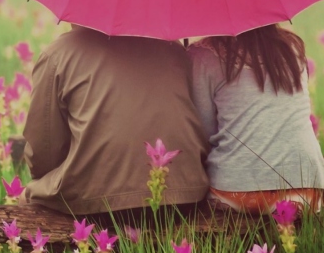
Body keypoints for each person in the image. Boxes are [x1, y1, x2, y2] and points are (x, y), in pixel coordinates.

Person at [22, 25, 210, 217]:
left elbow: (43, 152)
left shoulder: (58, 53)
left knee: (28, 195)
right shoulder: (175, 49)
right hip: (185, 199)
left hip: (96, 204)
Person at [188, 24, 324, 213]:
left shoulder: (202, 56)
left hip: (237, 194)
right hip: (308, 190)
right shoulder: (292, 48)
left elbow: (202, 135)